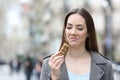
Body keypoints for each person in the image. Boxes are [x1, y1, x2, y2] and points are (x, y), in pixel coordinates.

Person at [40, 8, 114, 80]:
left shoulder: (105, 65)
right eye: (69, 27)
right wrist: (55, 77)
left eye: (80, 28)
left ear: (88, 32)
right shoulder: (49, 64)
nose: (73, 32)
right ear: (65, 31)